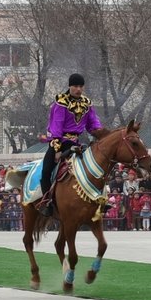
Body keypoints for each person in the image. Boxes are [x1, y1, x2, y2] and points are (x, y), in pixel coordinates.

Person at [39, 73, 104, 217]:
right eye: (76, 86)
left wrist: (103, 135)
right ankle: (47, 202)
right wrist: (56, 149)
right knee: (45, 172)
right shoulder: (61, 102)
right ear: (70, 86)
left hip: (77, 142)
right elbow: (56, 127)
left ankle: (99, 199)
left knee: (97, 167)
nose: (78, 89)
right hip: (60, 142)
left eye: (81, 86)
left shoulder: (87, 103)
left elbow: (93, 124)